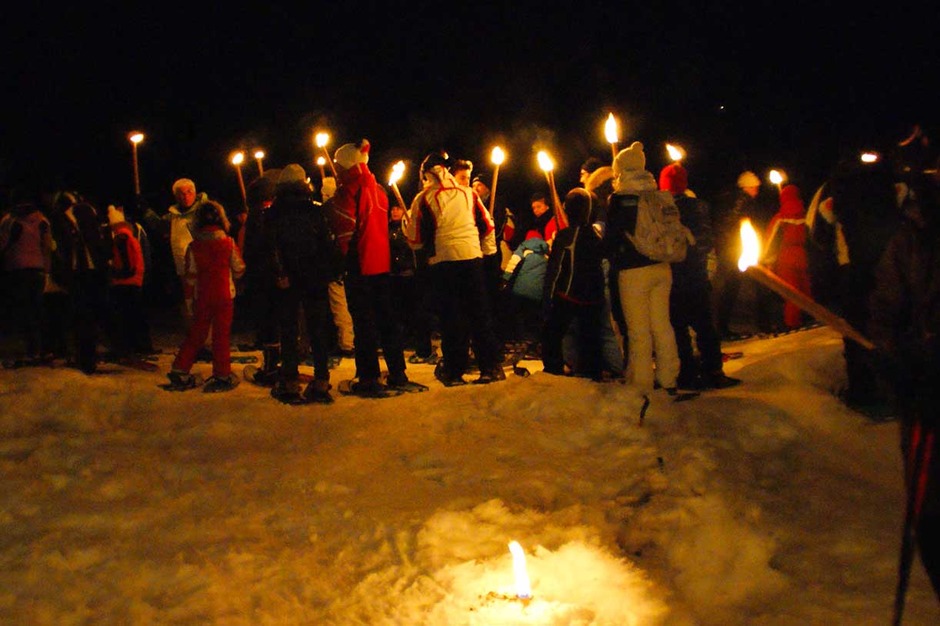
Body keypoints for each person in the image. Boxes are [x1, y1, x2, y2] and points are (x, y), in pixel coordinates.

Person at [868, 168, 940, 606]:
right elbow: (887, 308)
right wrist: (896, 362)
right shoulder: (912, 238)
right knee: (931, 521)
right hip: (925, 402)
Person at [329, 140, 425, 396]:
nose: (336, 169)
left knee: (364, 324)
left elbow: (344, 229)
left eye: (338, 165)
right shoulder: (379, 189)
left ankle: (369, 377)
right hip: (380, 264)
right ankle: (397, 372)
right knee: (387, 320)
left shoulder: (349, 190)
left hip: (359, 265)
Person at [404, 150, 504, 386]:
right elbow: (488, 225)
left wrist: (412, 232)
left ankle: (454, 370)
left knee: (451, 317)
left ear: (426, 174)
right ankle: (490, 367)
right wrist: (488, 254)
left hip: (443, 262)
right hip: (472, 257)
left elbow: (415, 238)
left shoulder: (423, 198)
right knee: (479, 314)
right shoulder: (468, 193)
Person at [604, 141, 682, 397]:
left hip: (633, 270)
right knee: (662, 324)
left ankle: (641, 383)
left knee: (638, 330)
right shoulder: (656, 193)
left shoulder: (620, 198)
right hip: (662, 265)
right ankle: (669, 378)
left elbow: (612, 238)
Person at [659, 162, 740, 390]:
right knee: (705, 327)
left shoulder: (659, 209)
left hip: (672, 278)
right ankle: (714, 370)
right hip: (696, 274)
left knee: (678, 329)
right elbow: (706, 241)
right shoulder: (700, 207)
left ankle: (687, 373)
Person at [266, 164, 340, 404]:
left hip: (289, 279)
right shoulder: (315, 211)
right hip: (314, 277)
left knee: (289, 330)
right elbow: (327, 244)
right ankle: (321, 381)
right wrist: (330, 271)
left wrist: (279, 272)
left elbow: (271, 247)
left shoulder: (273, 213)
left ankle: (289, 381)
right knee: (317, 329)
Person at [166, 201, 245, 392]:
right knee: (221, 336)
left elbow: (190, 275)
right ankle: (222, 373)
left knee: (197, 333)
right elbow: (239, 268)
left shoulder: (194, 246)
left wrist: (188, 299)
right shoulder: (228, 243)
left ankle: (180, 368)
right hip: (225, 295)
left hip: (202, 295)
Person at [541, 188, 606, 378]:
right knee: (590, 337)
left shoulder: (567, 235)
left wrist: (548, 295)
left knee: (552, 332)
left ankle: (553, 370)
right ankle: (591, 373)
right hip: (593, 296)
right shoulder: (596, 235)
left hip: (568, 294)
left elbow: (555, 268)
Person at [713, 170, 776, 338]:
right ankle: (762, 325)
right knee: (747, 286)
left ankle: (724, 326)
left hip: (732, 250)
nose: (756, 191)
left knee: (733, 288)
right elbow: (737, 224)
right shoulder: (743, 201)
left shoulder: (733, 200)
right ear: (747, 187)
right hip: (737, 251)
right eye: (754, 187)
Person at [0, 187, 52, 363]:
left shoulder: (11, 221)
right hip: (37, 269)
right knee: (37, 309)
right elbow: (47, 247)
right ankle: (42, 348)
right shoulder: (43, 221)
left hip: (17, 269)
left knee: (24, 310)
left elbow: (3, 243)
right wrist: (47, 270)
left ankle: (31, 348)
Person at [145, 178, 209, 309]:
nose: (186, 196)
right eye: (182, 193)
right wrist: (146, 211)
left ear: (195, 192)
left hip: (205, 265)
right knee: (191, 302)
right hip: (184, 267)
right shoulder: (173, 216)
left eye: (189, 192)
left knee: (207, 298)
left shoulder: (206, 211)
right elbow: (159, 226)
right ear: (176, 196)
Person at [107, 203, 153, 359]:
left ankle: (128, 347)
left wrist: (116, 273)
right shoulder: (130, 234)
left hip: (126, 282)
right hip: (134, 280)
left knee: (126, 315)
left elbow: (126, 262)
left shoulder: (121, 237)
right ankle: (141, 345)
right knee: (136, 313)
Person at [762, 184, 810, 331]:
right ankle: (810, 315)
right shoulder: (806, 214)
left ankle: (792, 321)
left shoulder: (780, 217)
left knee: (791, 291)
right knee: (805, 287)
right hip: (803, 254)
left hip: (786, 255)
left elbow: (770, 239)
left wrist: (766, 259)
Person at [502, 229, 550, 357]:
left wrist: (505, 279)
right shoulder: (546, 255)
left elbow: (512, 265)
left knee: (519, 315)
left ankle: (520, 339)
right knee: (533, 317)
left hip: (520, 291)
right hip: (537, 293)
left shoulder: (522, 250)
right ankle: (532, 342)